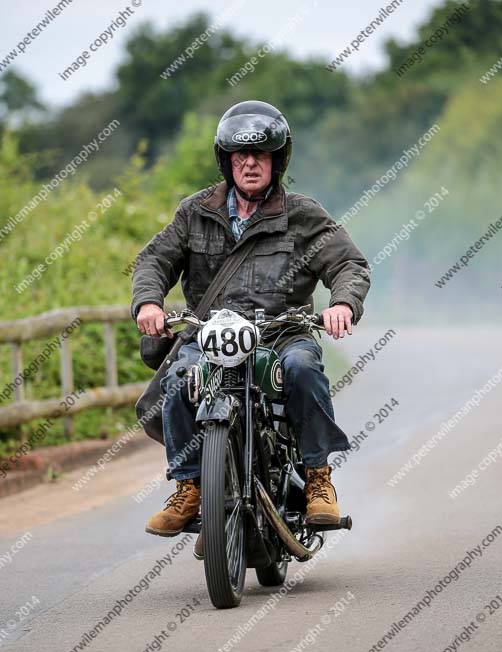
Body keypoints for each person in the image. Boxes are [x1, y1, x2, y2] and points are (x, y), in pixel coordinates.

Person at [132, 100, 370, 558]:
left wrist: (342, 303)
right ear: (226, 161)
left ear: (277, 161)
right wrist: (148, 301)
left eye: (260, 155)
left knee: (303, 368)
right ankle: (189, 485)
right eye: (240, 157)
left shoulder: (302, 215)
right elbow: (154, 260)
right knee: (180, 379)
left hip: (282, 333)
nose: (249, 164)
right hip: (210, 334)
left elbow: (348, 263)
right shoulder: (195, 212)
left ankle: (319, 478)